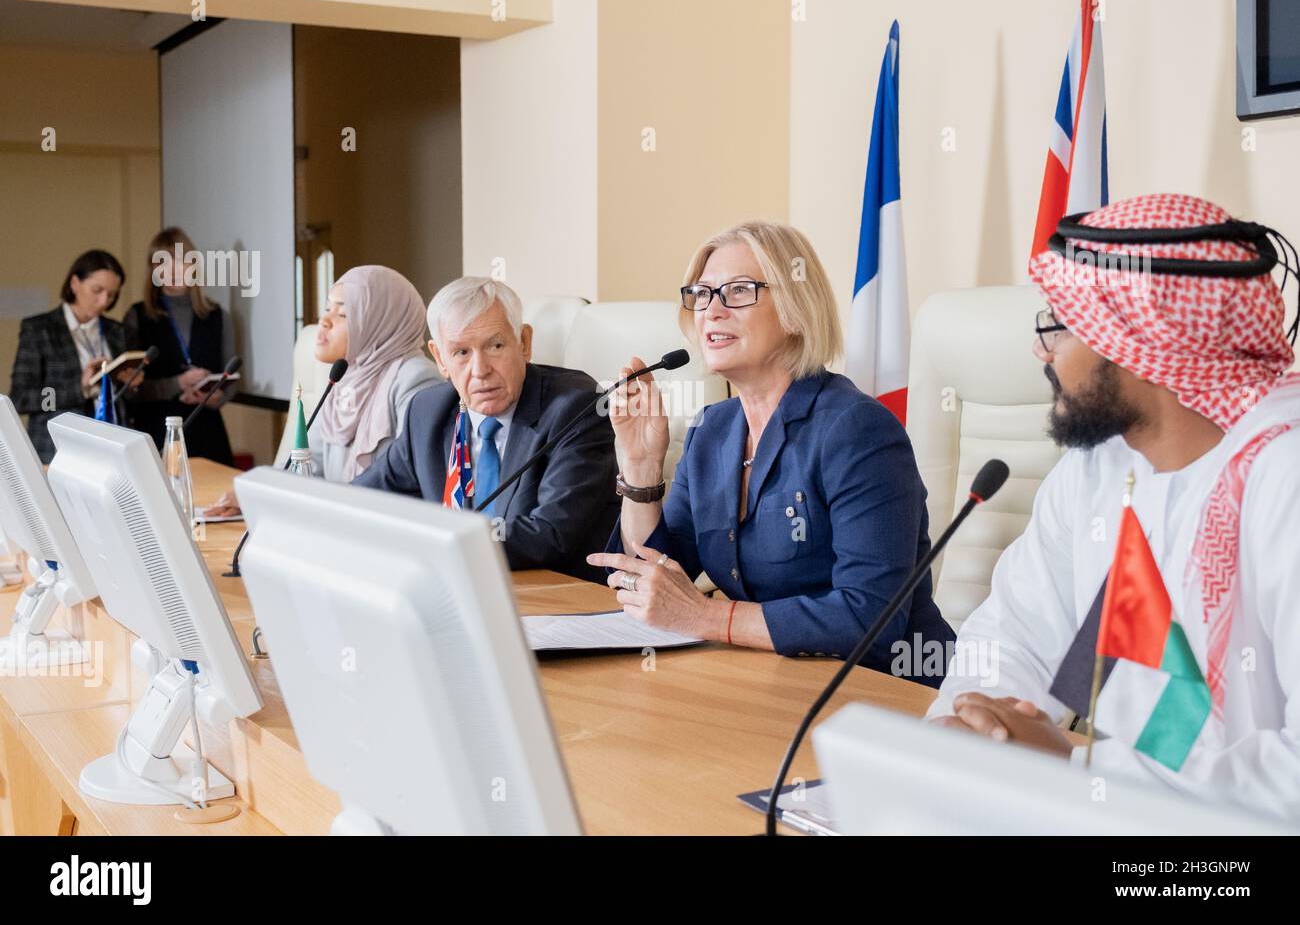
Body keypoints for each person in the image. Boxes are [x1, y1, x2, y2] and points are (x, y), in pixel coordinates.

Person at [928, 193, 1300, 821]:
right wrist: (969, 731)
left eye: (1061, 327)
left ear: (1136, 341)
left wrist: (1075, 771)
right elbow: (1015, 632)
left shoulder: (1283, 476)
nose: (1042, 353)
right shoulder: (1098, 465)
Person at [585, 221, 954, 685]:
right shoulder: (712, 431)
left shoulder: (855, 429)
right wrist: (640, 468)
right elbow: (653, 583)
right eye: (701, 294)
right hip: (773, 681)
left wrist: (707, 617)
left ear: (796, 309)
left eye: (737, 291)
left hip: (888, 690)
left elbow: (872, 621)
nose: (711, 310)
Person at [353, 276, 619, 582]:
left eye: (495, 346)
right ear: (440, 358)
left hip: (556, 598)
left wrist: (435, 544)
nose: (480, 370)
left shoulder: (576, 407)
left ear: (524, 342)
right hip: (457, 590)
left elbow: (551, 534)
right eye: (461, 353)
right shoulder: (428, 412)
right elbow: (361, 501)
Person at [204, 266, 442, 516]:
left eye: (343, 314)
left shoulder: (415, 380)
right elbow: (307, 463)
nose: (324, 321)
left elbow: (408, 479)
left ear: (379, 321)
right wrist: (253, 493)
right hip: (337, 527)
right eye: (327, 308)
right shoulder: (343, 378)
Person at [9, 249, 137, 462]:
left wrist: (130, 383)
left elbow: (128, 401)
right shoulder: (40, 328)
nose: (104, 301)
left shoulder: (118, 331)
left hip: (114, 446)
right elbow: (21, 399)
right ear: (75, 283)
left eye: (112, 294)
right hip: (59, 451)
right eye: (97, 290)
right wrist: (79, 388)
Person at [124, 227, 238, 464]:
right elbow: (131, 389)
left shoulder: (218, 316)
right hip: (155, 433)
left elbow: (231, 379)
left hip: (207, 431)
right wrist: (177, 383)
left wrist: (217, 398)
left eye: (180, 262)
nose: (173, 271)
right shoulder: (137, 316)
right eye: (163, 263)